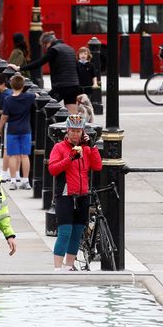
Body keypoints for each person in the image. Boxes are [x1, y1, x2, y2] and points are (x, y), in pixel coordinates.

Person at [48, 114, 102, 271]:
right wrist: (70, 158)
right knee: (65, 232)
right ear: (67, 130)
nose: (75, 134)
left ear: (83, 131)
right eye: (72, 130)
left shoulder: (86, 148)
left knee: (77, 233)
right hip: (65, 195)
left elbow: (97, 166)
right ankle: (57, 269)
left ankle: (68, 266)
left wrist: (92, 147)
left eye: (78, 131)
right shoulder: (59, 148)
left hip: (82, 195)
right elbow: (53, 169)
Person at [13, 31, 80, 113]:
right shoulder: (70, 49)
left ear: (47, 43)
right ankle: (72, 125)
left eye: (44, 46)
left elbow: (39, 63)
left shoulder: (54, 49)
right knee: (72, 114)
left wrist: (19, 68)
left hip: (60, 86)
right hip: (73, 86)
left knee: (43, 104)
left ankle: (46, 125)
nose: (45, 49)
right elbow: (78, 68)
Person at [0, 74, 36, 191]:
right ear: (23, 86)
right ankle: (26, 181)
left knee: (13, 155)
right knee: (25, 156)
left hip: (12, 130)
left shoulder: (8, 100)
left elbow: (4, 116)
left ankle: (13, 181)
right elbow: (36, 95)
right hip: (26, 130)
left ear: (11, 85)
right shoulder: (28, 97)